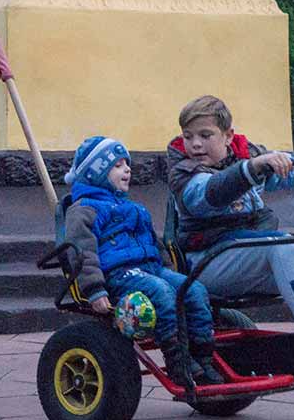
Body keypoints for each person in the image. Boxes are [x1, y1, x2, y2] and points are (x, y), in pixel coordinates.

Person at [166, 95, 294, 371]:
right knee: (280, 244)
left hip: (246, 256)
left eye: (205, 135)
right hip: (205, 264)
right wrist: (252, 167)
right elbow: (213, 192)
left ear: (228, 136)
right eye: (188, 136)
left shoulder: (247, 157)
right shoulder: (185, 172)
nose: (196, 144)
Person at [63, 136, 223, 386]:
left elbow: (155, 246)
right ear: (97, 173)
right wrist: (94, 289)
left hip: (150, 269)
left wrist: (171, 273)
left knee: (193, 289)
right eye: (117, 165)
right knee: (162, 293)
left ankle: (203, 358)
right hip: (118, 275)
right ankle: (178, 361)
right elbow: (81, 251)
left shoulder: (135, 209)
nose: (127, 169)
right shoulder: (84, 210)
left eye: (127, 164)